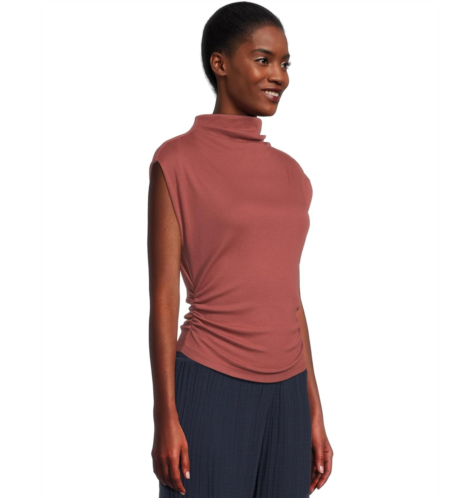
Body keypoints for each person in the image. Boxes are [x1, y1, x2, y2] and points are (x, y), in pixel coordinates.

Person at [147, 2, 333, 496]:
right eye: (263, 59)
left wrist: (314, 411)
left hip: (289, 394)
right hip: (211, 383)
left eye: (285, 63)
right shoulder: (176, 161)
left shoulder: (293, 174)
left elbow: (289, 298)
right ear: (220, 63)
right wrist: (165, 415)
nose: (280, 76)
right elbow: (164, 297)